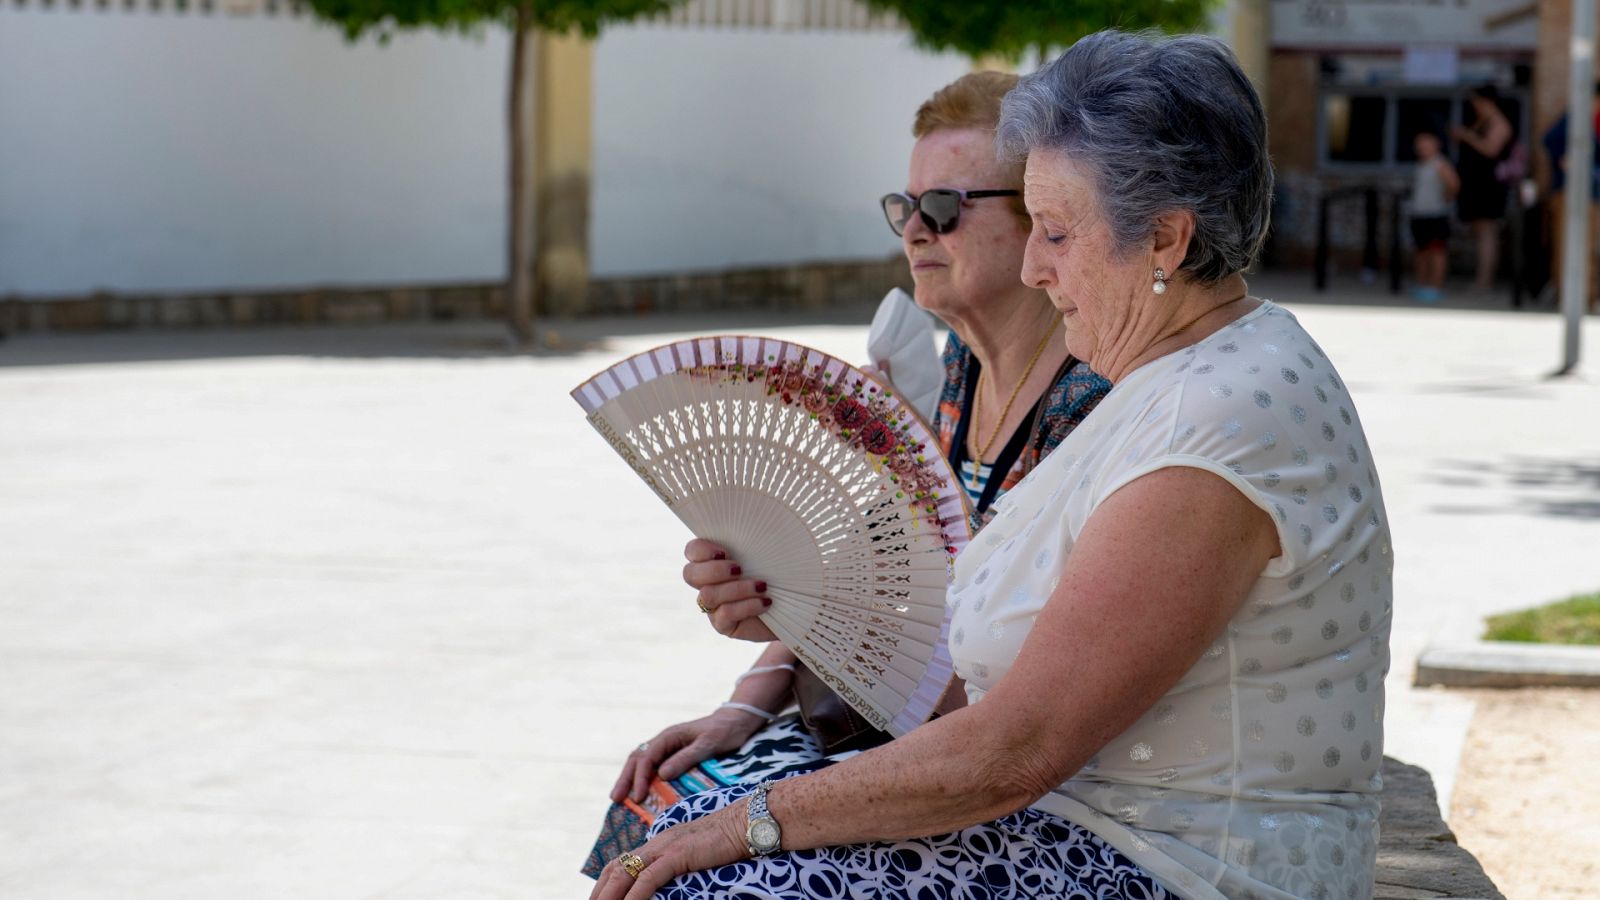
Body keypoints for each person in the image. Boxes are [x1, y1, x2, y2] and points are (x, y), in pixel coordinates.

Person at [592, 31, 1393, 900]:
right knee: (676, 835)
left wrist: (752, 823)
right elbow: (986, 701)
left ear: (1164, 240)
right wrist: (797, 618)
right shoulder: (1174, 379)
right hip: (1089, 828)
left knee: (710, 876)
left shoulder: (1218, 419)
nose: (1034, 266)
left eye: (1054, 232)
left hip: (1181, 867)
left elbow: (1013, 749)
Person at [583, 71, 1112, 877]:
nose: (916, 232)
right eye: (904, 209)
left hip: (996, 764)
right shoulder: (950, 379)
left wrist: (842, 646)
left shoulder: (1091, 400)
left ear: (1039, 215)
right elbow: (870, 579)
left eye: (944, 207)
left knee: (703, 853)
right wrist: (746, 695)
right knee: (656, 795)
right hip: (889, 722)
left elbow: (1025, 706)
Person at [1540, 84, 1600, 311]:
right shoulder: (1576, 116)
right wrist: (1565, 158)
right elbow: (1549, 139)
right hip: (1570, 192)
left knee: (1588, 245)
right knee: (1570, 245)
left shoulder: (1592, 118)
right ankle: (1570, 297)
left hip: (1591, 192)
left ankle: (1587, 297)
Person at [1451, 84, 1514, 291]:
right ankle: (1481, 278)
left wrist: (1468, 136)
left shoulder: (1499, 123)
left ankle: (1484, 280)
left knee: (1488, 232)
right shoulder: (1480, 121)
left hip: (1489, 186)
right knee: (1480, 232)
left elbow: (1490, 149)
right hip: (1474, 184)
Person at [1409, 130, 1459, 303]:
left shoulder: (1440, 164)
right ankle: (1422, 284)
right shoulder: (1422, 165)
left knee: (1436, 252)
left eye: (1426, 143)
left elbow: (1454, 185)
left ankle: (1435, 286)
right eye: (1419, 144)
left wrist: (1446, 198)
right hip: (1419, 215)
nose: (1422, 147)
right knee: (1421, 252)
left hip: (1436, 215)